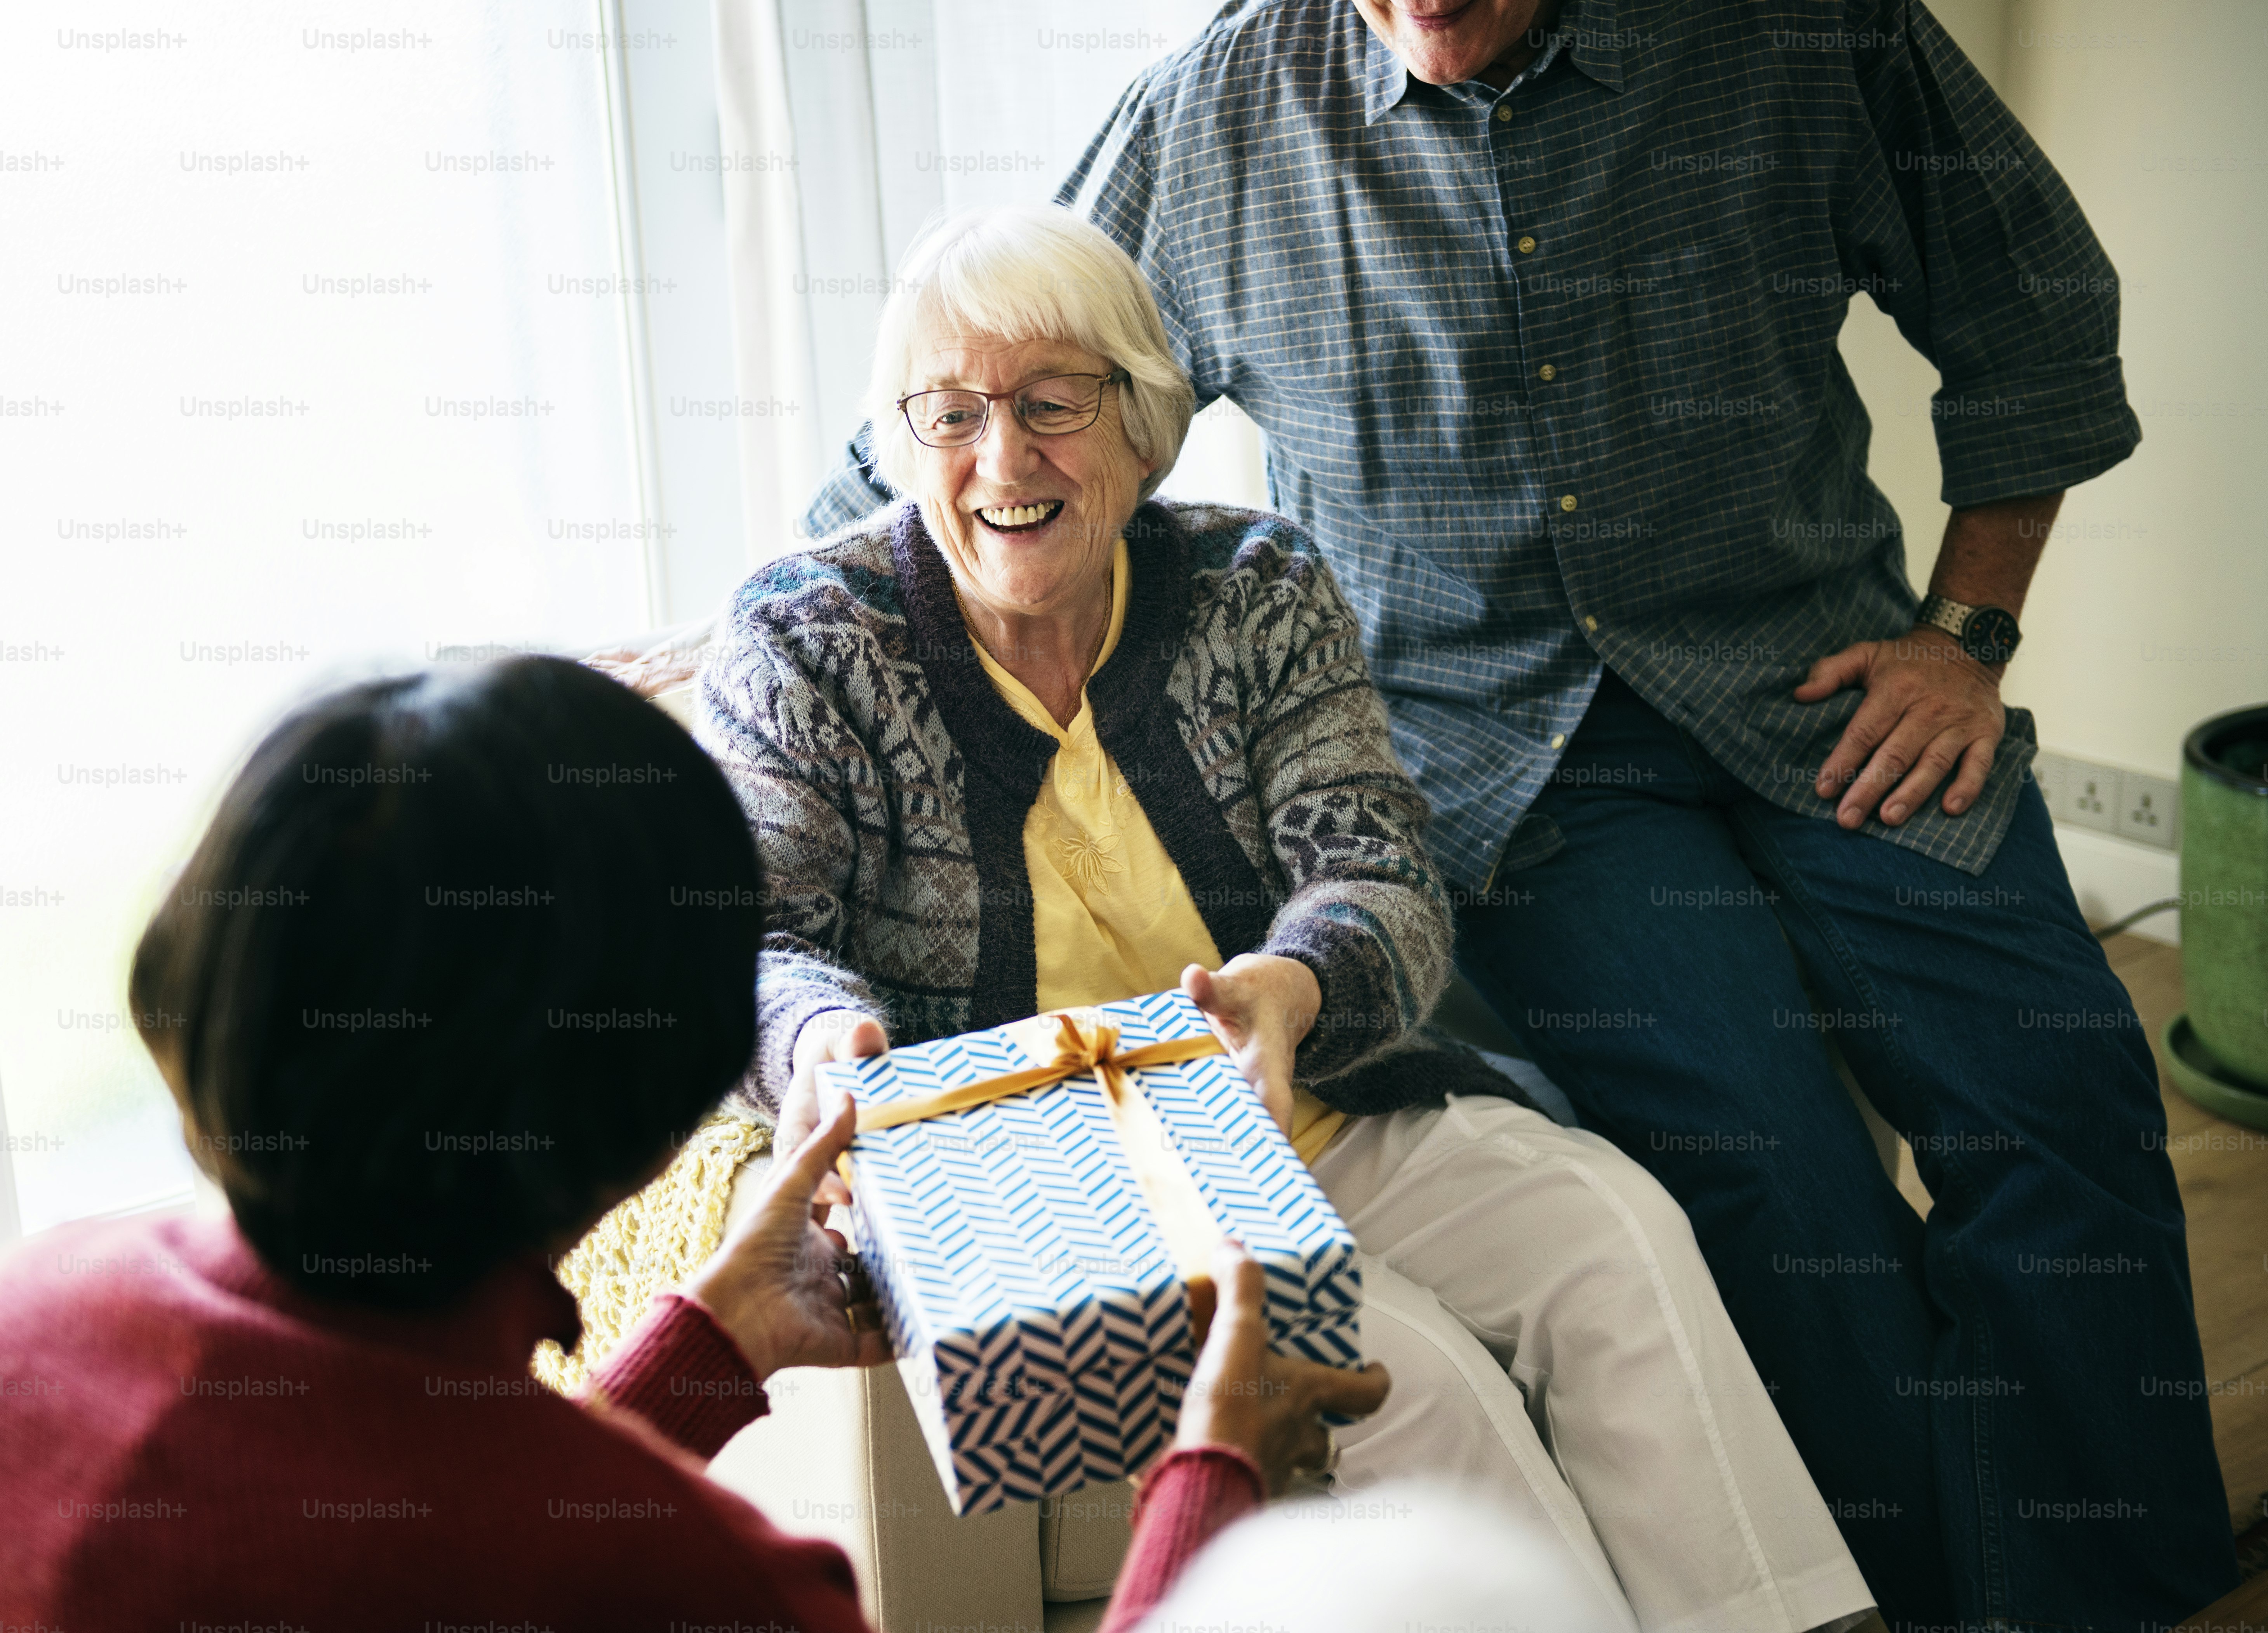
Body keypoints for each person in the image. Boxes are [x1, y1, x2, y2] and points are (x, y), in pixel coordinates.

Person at [800, 1, 2239, 1620]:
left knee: (2058, 1089)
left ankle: (2104, 1593)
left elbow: (2029, 305)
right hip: (1508, 758)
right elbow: (977, 397)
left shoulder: (1802, 35)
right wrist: (785, 647)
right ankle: (1910, 1600)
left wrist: (1965, 636)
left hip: (1828, 679)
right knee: (1766, 1167)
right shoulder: (1214, 110)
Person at [708, 203, 1876, 1633]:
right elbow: (753, 939)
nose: (1002, 460)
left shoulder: (1256, 584)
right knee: (1415, 1376)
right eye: (949, 413)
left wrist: (1297, 986)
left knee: (1612, 1226)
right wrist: (825, 1040)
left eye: (1052, 405)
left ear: (1144, 426)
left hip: (1306, 1101)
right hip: (1055, 1195)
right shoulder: (809, 635)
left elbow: (1378, 862)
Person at [0, 657, 1378, 1630]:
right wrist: (1215, 1485)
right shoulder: (708, 1590)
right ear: (653, 1103)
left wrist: (712, 1350)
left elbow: (420, 1525)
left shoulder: (44, 1300)